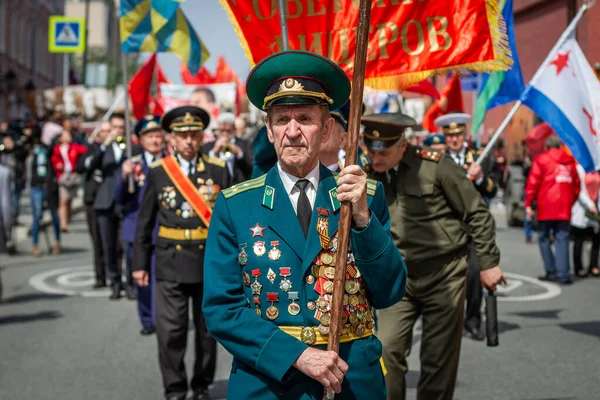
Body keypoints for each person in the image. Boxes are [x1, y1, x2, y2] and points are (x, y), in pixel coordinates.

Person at [203, 51, 407, 399]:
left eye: (305, 119)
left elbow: (389, 291)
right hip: (268, 381)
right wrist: (297, 355)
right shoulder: (236, 205)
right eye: (282, 119)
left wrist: (361, 220)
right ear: (268, 129)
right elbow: (222, 308)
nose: (293, 132)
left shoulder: (363, 196)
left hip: (351, 377)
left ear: (326, 128)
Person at [363, 112, 505, 400]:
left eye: (384, 152)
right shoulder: (366, 175)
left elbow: (476, 212)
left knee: (438, 359)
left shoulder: (436, 166)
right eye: (370, 149)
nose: (376, 158)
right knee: (387, 351)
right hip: (398, 279)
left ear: (403, 146)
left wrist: (489, 264)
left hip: (444, 274)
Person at [132, 106, 230, 400]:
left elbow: (227, 221)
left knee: (206, 331)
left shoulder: (217, 169)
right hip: (170, 260)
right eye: (182, 135)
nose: (188, 140)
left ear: (201, 137)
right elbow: (145, 220)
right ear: (171, 138)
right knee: (171, 331)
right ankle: (175, 389)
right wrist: (140, 263)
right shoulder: (159, 171)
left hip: (206, 263)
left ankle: (201, 386)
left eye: (193, 135)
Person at [434, 112, 498, 341]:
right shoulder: (436, 159)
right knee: (444, 279)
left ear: (465, 135)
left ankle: (473, 321)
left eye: (458, 135)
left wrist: (480, 178)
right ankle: (447, 322)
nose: (454, 140)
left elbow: (493, 190)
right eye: (450, 136)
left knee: (472, 275)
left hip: (472, 230)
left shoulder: (479, 158)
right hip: (445, 229)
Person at [116, 115, 166, 334]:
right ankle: (147, 319)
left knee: (162, 279)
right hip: (136, 230)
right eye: (150, 136)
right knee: (141, 278)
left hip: (162, 229)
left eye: (158, 135)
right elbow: (119, 199)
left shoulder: (170, 163)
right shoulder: (133, 165)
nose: (155, 140)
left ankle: (161, 319)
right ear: (141, 140)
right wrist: (123, 177)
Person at [525, 135, 580, 285]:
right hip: (564, 208)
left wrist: (529, 204)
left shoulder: (542, 160)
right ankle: (563, 273)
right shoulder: (570, 162)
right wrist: (570, 202)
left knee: (543, 238)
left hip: (546, 206)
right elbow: (576, 186)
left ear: (546, 147)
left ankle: (551, 271)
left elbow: (533, 183)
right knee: (562, 239)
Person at [89, 112, 128, 300]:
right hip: (105, 203)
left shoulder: (130, 148)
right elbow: (90, 166)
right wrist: (105, 145)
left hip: (125, 204)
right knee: (108, 246)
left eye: (121, 128)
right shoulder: (101, 148)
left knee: (125, 246)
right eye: (115, 127)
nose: (118, 131)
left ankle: (129, 284)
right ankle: (114, 282)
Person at [76, 122, 109, 288]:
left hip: (110, 200)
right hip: (93, 200)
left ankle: (114, 275)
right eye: (103, 131)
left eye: (108, 131)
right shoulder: (92, 148)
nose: (106, 134)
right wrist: (102, 148)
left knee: (113, 241)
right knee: (98, 241)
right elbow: (82, 167)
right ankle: (100, 276)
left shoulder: (116, 147)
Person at [28, 130, 61, 256]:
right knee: (36, 216)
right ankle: (35, 245)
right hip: (36, 187)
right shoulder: (30, 150)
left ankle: (57, 242)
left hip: (49, 186)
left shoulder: (47, 149)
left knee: (54, 216)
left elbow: (54, 144)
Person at [51, 130, 86, 232]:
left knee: (69, 199)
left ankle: (67, 218)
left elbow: (85, 150)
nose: (67, 137)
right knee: (63, 200)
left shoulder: (74, 147)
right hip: (63, 175)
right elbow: (54, 159)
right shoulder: (57, 149)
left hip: (73, 175)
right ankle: (63, 224)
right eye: (65, 136)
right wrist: (57, 166)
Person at [570, 164, 600, 278]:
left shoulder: (597, 169)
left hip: (596, 210)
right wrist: (590, 205)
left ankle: (593, 265)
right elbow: (579, 190)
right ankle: (579, 267)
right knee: (579, 240)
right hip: (582, 210)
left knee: (596, 239)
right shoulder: (579, 168)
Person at [206, 112, 252, 184]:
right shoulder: (209, 146)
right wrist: (214, 151)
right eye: (222, 130)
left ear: (234, 129)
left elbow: (250, 166)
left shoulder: (245, 144)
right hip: (217, 187)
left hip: (239, 185)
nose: (225, 134)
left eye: (228, 131)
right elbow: (206, 168)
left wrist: (239, 153)